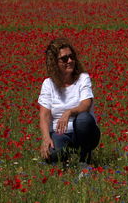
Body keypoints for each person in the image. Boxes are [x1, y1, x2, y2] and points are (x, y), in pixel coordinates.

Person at [38, 38, 100, 166]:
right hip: (59, 133)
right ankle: (65, 160)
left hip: (82, 132)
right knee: (53, 154)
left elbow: (86, 105)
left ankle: (85, 159)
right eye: (64, 59)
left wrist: (69, 112)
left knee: (84, 119)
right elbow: (44, 115)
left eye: (72, 57)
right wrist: (46, 138)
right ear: (54, 63)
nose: (70, 61)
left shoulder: (83, 78)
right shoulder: (48, 84)